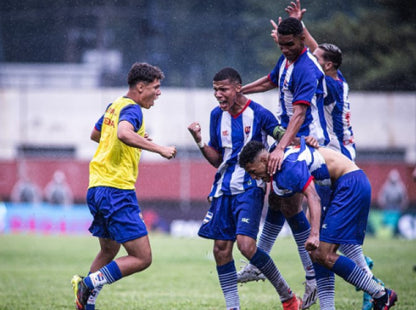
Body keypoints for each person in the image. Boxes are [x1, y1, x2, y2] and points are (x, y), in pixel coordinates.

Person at [283, 1, 381, 309]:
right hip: (338, 155)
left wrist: (299, 30)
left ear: (328, 66)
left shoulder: (332, 83)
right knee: (337, 241)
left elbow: (311, 56)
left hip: (335, 156)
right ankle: (365, 285)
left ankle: (371, 287)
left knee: (329, 242)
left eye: (318, 58)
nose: (311, 57)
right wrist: (299, 27)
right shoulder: (335, 78)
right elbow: (315, 54)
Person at [188, 67, 301, 310]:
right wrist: (199, 141)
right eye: (215, 90)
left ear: (238, 88)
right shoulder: (216, 116)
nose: (218, 95)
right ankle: (233, 307)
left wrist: (288, 147)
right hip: (223, 188)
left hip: (251, 186)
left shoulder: (259, 113)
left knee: (246, 246)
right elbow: (218, 159)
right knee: (220, 249)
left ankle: (288, 297)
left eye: (223, 89)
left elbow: (285, 136)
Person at [238, 139, 398, 310]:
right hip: (338, 186)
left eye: (253, 171)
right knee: (318, 254)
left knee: (324, 254)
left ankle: (381, 294)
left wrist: (314, 234)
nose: (254, 177)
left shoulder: (287, 168)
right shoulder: (277, 160)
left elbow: (313, 197)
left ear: (263, 160)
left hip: (349, 185)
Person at [238, 16, 329, 309]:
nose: (285, 50)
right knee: (277, 200)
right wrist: (242, 91)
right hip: (290, 139)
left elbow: (300, 114)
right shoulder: (287, 61)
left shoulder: (306, 67)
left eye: (289, 45)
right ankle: (261, 261)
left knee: (290, 204)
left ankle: (313, 275)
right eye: (281, 45)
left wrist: (279, 148)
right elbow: (269, 80)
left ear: (303, 40)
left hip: (304, 142)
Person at [71, 62, 177, 310]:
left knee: (109, 250)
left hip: (96, 187)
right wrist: (159, 148)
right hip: (116, 190)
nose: (159, 92)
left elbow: (97, 134)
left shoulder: (114, 105)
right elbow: (123, 134)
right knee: (142, 257)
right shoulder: (133, 109)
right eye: (156, 87)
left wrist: (136, 139)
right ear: (140, 87)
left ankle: (85, 304)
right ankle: (88, 283)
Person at [378, 169, 409, 235]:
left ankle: (396, 233)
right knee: (386, 222)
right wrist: (382, 203)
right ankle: (385, 233)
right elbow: (382, 196)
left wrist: (403, 205)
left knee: (396, 223)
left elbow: (404, 197)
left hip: (397, 208)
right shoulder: (386, 186)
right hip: (388, 208)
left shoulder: (400, 187)